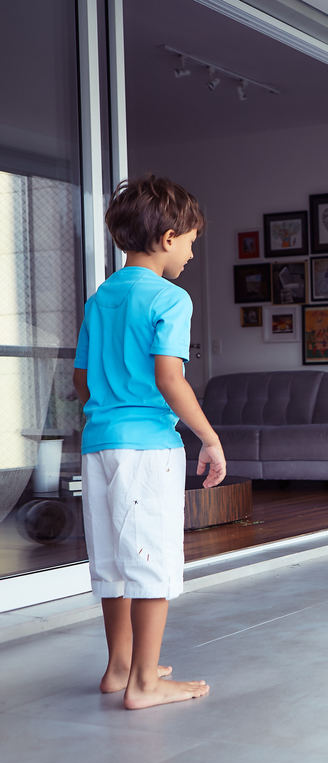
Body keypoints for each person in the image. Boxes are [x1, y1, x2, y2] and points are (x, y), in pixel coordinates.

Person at [72, 175, 226, 709]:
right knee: (151, 561)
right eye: (190, 241)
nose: (190, 252)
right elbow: (170, 378)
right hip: (147, 448)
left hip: (98, 445)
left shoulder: (101, 299)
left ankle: (119, 667)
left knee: (114, 559)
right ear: (166, 237)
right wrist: (208, 437)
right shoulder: (170, 298)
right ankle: (144, 684)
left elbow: (81, 382)